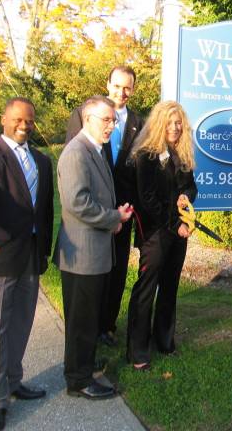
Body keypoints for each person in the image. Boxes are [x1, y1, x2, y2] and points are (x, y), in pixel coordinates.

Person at [0, 97, 53, 431]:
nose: (24, 126)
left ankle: (14, 380)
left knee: (21, 321)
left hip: (31, 254)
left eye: (30, 121)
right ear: (4, 119)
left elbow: (45, 208)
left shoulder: (42, 161)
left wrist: (46, 248)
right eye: (18, 120)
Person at [53, 95, 132, 400]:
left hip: (93, 252)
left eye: (113, 120)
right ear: (87, 119)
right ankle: (79, 380)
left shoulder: (95, 150)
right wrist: (113, 218)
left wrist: (115, 215)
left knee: (88, 317)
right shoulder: (77, 152)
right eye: (106, 120)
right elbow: (77, 202)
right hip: (82, 256)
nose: (112, 126)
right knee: (82, 321)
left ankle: (81, 364)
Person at [65, 66, 144, 347]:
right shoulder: (86, 113)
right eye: (116, 86)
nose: (121, 93)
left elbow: (139, 168)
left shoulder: (138, 122)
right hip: (94, 210)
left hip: (123, 209)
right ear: (107, 84)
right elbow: (76, 161)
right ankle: (89, 327)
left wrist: (129, 210)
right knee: (92, 273)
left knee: (117, 269)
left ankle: (107, 326)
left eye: (127, 88)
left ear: (133, 90)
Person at [126, 101, 197, 370]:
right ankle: (138, 351)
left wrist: (186, 196)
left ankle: (165, 341)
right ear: (158, 124)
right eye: (169, 122)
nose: (175, 127)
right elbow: (146, 199)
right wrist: (173, 224)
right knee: (146, 289)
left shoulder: (182, 154)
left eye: (178, 122)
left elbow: (192, 188)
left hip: (178, 232)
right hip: (156, 233)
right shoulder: (145, 155)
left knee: (170, 287)